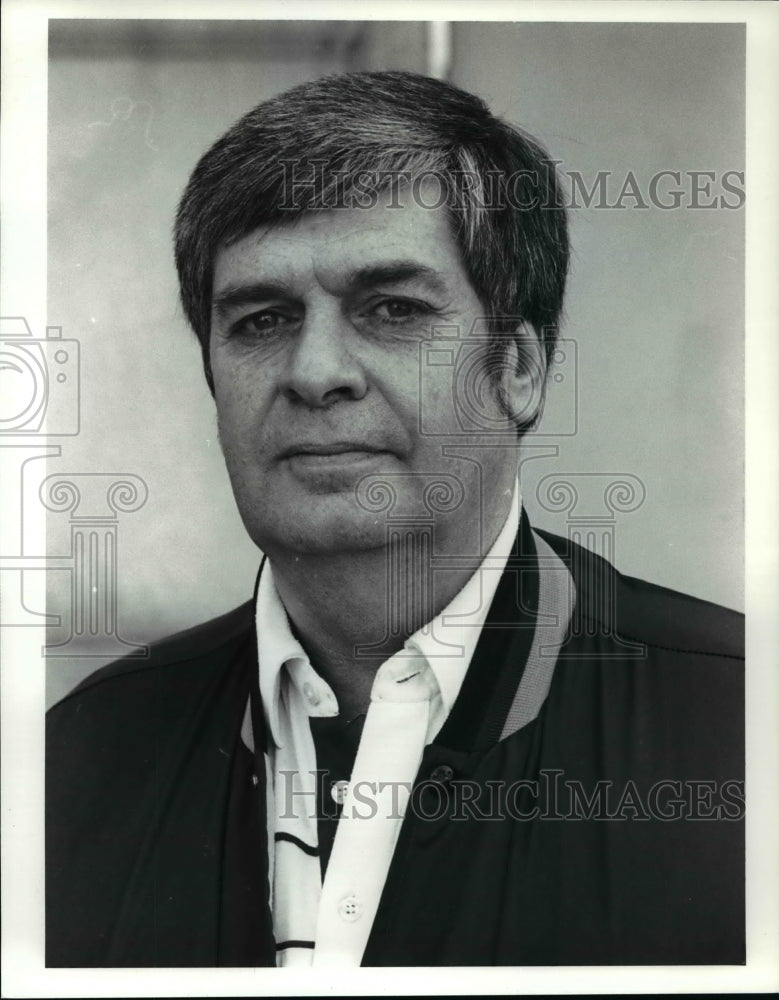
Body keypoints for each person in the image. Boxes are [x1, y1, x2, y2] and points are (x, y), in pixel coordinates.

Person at [46, 70, 744, 968]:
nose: (315, 370)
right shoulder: (75, 762)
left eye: (392, 310)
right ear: (212, 378)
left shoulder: (737, 732)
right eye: (261, 320)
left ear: (519, 368)